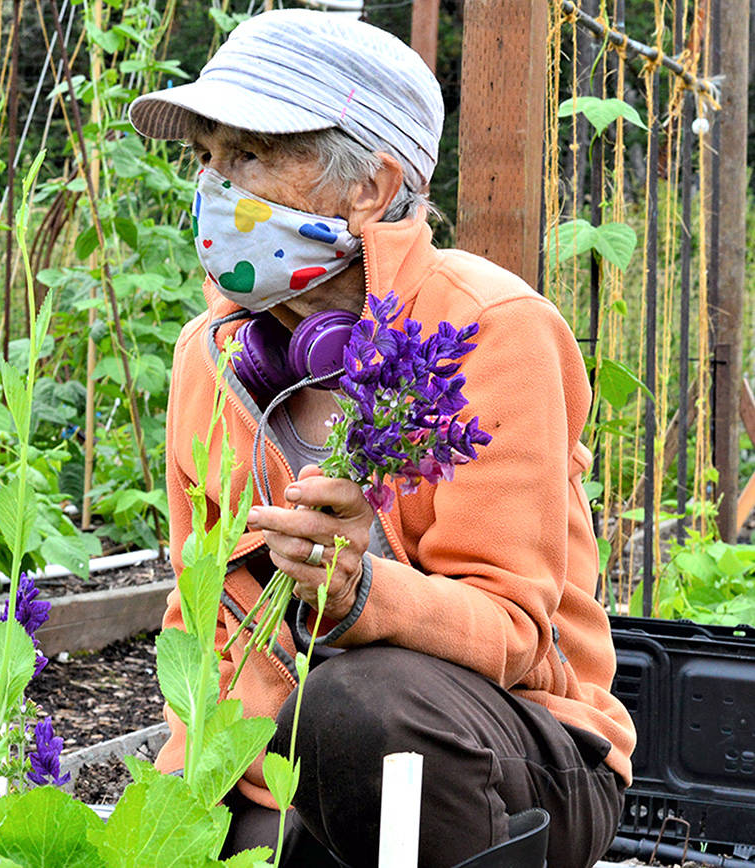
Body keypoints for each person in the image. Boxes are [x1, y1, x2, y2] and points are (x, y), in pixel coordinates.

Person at [127, 10, 635, 868]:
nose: (214, 189)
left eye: (249, 156)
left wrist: (361, 595)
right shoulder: (207, 359)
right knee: (208, 837)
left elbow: (516, 631)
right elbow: (203, 623)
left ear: (370, 185)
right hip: (297, 764)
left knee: (363, 707)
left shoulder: (489, 329)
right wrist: (178, 807)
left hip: (522, 750)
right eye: (207, 157)